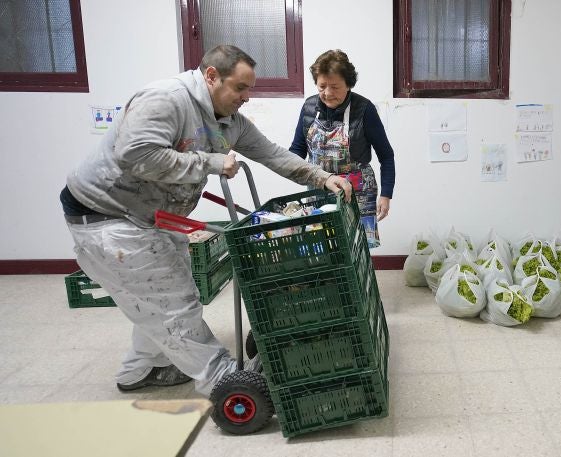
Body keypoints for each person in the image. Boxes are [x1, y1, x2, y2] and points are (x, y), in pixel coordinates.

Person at [59, 45, 352, 395]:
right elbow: (137, 156)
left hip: (152, 216)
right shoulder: (166, 100)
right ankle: (225, 383)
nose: (246, 97)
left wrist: (320, 177)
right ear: (211, 76)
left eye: (250, 89)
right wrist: (211, 162)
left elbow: (272, 153)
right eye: (240, 88)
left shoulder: (229, 120)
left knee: (161, 294)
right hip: (108, 215)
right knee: (172, 302)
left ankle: (139, 370)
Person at [290, 49, 396, 248]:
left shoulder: (364, 109)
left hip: (358, 193)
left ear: (348, 84)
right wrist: (287, 167)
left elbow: (386, 156)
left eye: (335, 87)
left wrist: (386, 194)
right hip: (319, 187)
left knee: (356, 250)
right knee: (321, 247)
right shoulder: (309, 107)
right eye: (322, 86)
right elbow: (297, 149)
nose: (327, 93)